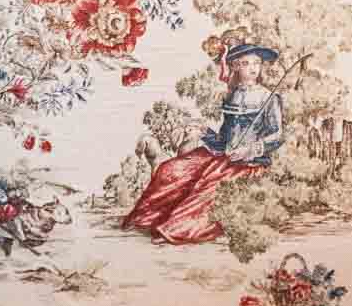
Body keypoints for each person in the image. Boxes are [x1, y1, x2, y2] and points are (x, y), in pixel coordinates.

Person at [121, 41, 285, 244]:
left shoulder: (270, 98)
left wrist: (250, 149)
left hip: (250, 165)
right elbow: (223, 142)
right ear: (235, 66)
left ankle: (176, 229)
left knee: (208, 183)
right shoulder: (233, 95)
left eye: (256, 63)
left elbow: (277, 136)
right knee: (173, 169)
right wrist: (204, 131)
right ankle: (149, 218)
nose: (252, 68)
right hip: (225, 158)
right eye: (246, 63)